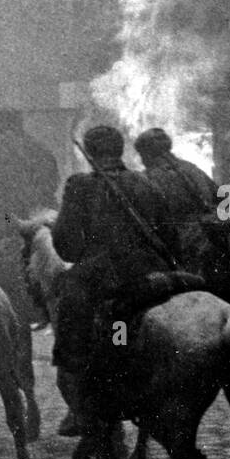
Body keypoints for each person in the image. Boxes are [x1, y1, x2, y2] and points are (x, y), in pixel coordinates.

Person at [50, 125, 177, 435]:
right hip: (149, 272)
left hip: (102, 275)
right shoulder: (145, 181)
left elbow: (65, 243)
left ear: (90, 153)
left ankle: (79, 406)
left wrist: (86, 252)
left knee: (68, 311)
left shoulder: (78, 185)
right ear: (121, 151)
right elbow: (169, 235)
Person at [134, 127, 220, 274]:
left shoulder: (146, 179)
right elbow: (221, 199)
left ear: (146, 154)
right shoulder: (192, 168)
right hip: (214, 237)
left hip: (184, 248)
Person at [0, 107, 61, 242]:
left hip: (28, 211)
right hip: (11, 211)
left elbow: (50, 182)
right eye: (2, 125)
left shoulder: (34, 148)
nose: (5, 129)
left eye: (9, 124)